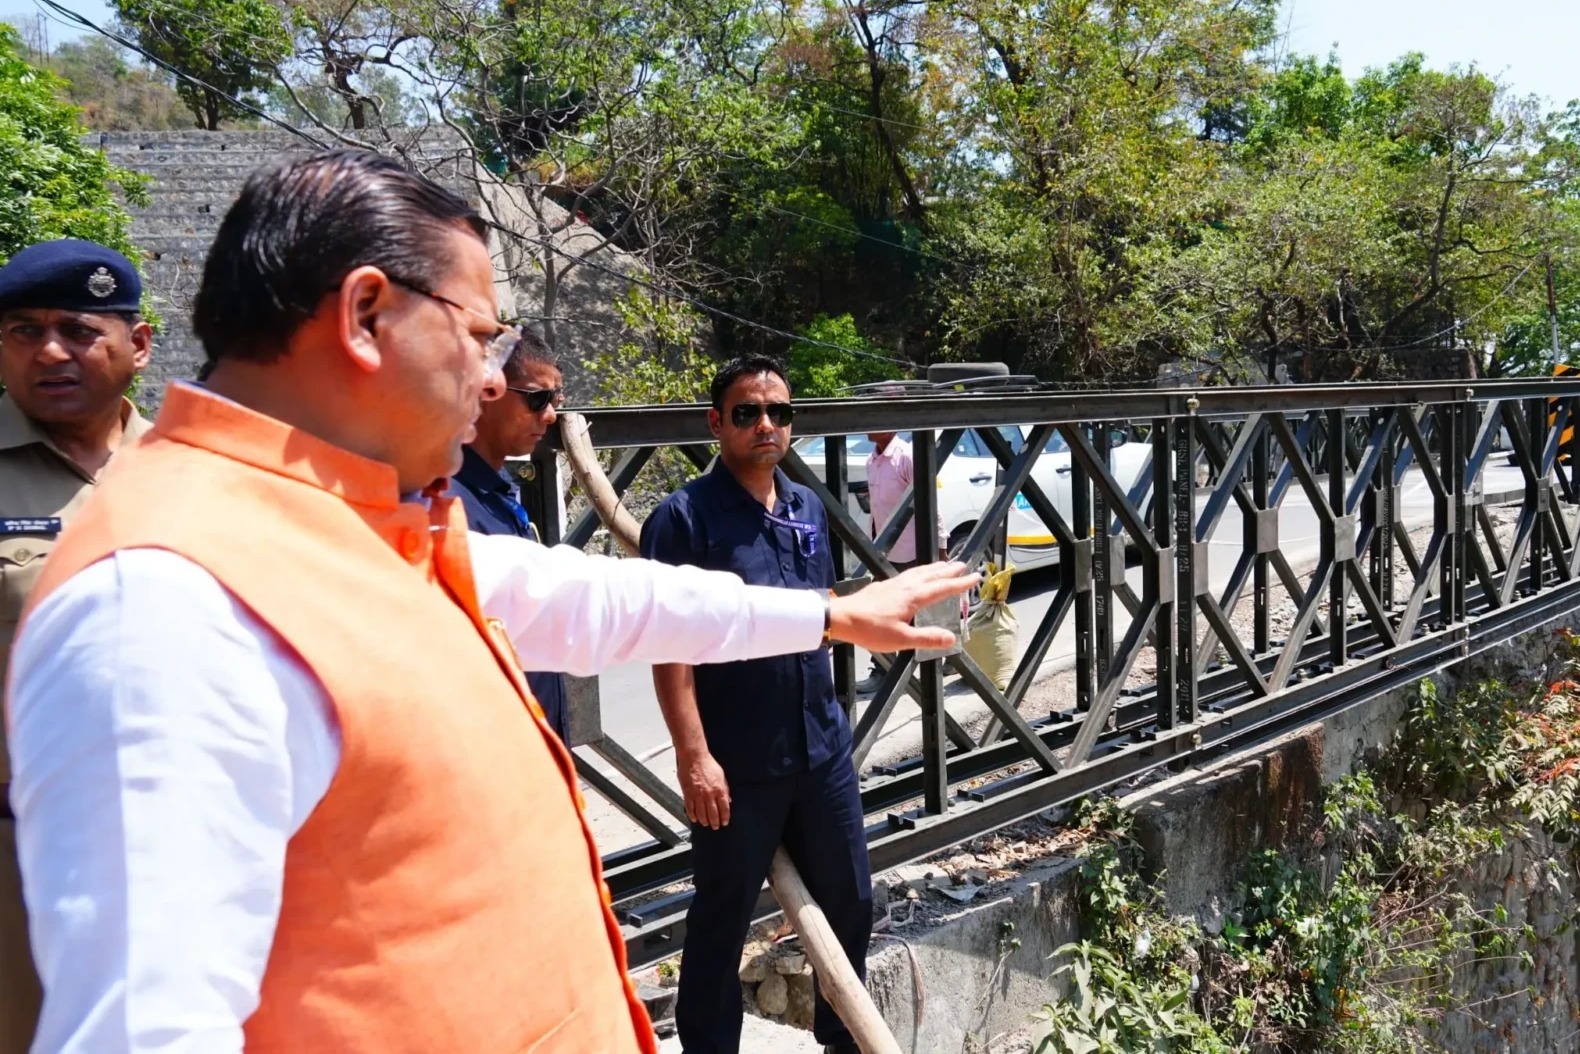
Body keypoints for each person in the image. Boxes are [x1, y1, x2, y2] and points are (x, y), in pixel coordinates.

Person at [5, 149, 976, 1054]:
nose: (491, 377)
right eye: (478, 335)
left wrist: (830, 615)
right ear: (365, 315)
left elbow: (588, 599)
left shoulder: (342, 515)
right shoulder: (163, 607)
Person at [640, 357, 871, 1054]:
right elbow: (668, 646)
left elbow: (824, 619)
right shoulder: (683, 519)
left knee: (852, 900)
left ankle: (842, 1039)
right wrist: (692, 754)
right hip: (737, 761)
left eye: (779, 412)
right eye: (747, 412)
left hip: (819, 748)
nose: (766, 424)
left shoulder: (806, 507)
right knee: (722, 916)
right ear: (717, 424)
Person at [0, 239, 153, 1054]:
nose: (49, 351)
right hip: (17, 853)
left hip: (180, 834)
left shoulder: (193, 471)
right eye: (22, 330)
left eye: (77, 328)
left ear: (139, 343)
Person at [449, 324, 571, 740]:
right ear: (486, 390)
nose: (551, 415)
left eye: (554, 399)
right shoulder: (449, 503)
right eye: (537, 399)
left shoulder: (496, 492)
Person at [859, 429, 947, 694]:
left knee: (922, 611)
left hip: (913, 548)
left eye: (873, 422)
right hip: (885, 551)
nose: (867, 428)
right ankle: (883, 668)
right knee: (884, 611)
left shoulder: (906, 457)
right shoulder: (871, 461)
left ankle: (942, 662)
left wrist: (940, 544)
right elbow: (877, 509)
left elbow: (930, 502)